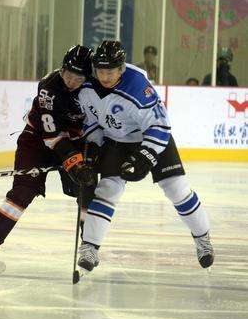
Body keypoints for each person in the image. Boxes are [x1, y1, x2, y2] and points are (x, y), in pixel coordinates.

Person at [76, 40, 214, 273]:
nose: (104, 77)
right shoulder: (87, 87)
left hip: (151, 138)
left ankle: (202, 239)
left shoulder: (137, 86)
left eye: (110, 72)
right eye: (100, 71)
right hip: (117, 141)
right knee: (107, 189)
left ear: (120, 69)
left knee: (176, 188)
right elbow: (90, 120)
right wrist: (97, 146)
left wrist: (145, 157)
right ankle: (89, 247)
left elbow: (160, 125)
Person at [0, 45, 97, 265]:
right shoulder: (49, 87)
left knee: (86, 189)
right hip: (36, 141)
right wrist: (74, 163)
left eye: (78, 79)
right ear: (62, 70)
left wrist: (83, 160)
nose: (71, 82)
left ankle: (89, 247)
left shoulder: (94, 89)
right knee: (23, 191)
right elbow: (51, 136)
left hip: (75, 142)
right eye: (68, 75)